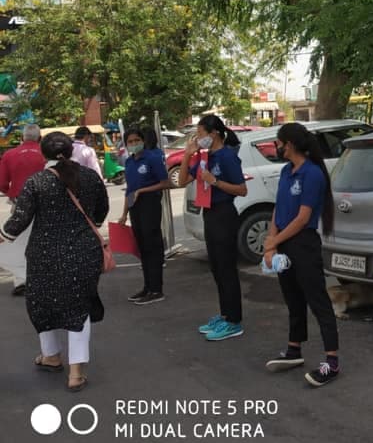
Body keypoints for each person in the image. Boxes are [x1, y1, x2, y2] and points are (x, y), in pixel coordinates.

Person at [0, 131, 109, 392]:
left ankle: (51, 355)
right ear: (71, 151)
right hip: (84, 252)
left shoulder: (37, 181)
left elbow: (18, 221)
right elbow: (101, 211)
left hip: (44, 254)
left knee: (42, 303)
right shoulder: (90, 177)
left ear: (42, 152)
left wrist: (3, 236)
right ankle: (76, 373)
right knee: (79, 307)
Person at [262, 123, 341, 387]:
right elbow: (279, 208)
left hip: (304, 243)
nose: (276, 147)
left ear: (290, 144)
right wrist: (271, 242)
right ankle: (294, 349)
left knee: (317, 300)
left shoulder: (313, 174)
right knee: (292, 298)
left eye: (279, 142)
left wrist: (275, 241)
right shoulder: (287, 171)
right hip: (284, 242)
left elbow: (303, 217)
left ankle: (331, 361)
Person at [178, 114, 247, 341]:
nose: (198, 138)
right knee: (216, 268)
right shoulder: (204, 156)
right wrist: (188, 155)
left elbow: (241, 189)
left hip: (224, 214)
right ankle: (225, 314)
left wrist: (215, 181)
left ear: (214, 133)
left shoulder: (227, 156)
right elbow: (182, 181)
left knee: (227, 269)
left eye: (200, 134)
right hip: (209, 214)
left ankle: (234, 321)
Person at [119, 126, 172, 306]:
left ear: (143, 141)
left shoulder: (152, 158)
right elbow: (130, 189)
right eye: (130, 142)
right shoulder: (129, 162)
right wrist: (124, 214)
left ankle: (156, 289)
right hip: (135, 207)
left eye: (137, 140)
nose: (134, 144)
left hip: (150, 205)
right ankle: (147, 287)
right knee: (142, 248)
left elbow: (166, 183)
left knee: (152, 247)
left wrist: (143, 190)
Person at [0, 124, 46, 296]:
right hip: (45, 203)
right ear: (40, 138)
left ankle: (22, 279)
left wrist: (11, 194)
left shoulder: (9, 155)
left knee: (18, 241)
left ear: (22, 138)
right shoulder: (45, 154)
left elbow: (1, 183)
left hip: (20, 203)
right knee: (43, 241)